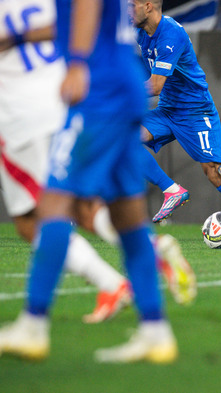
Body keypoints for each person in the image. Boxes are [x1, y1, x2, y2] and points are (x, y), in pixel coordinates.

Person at [0, 0, 177, 363]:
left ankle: (33, 325)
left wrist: (77, 63)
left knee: (53, 204)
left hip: (99, 91)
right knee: (127, 216)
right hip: (121, 83)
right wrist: (19, 38)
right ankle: (156, 331)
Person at [0, 0, 132, 324]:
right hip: (66, 99)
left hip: (20, 115)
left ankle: (109, 283)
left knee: (32, 218)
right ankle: (144, 254)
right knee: (80, 206)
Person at [132, 0, 221, 231]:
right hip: (167, 110)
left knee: (214, 172)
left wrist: (116, 93)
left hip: (195, 111)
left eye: (131, 4)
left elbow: (155, 86)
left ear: (148, 6)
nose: (127, 10)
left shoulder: (171, 34)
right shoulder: (141, 31)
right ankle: (172, 190)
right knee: (124, 138)